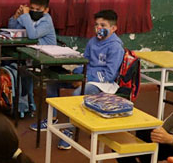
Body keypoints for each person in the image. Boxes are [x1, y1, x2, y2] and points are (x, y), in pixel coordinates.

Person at [47, 9, 125, 150]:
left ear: (114, 28)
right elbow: (85, 62)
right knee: (53, 82)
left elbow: (109, 75)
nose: (99, 28)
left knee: (77, 94)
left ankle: (70, 130)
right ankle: (51, 118)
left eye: (103, 25)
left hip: (103, 84)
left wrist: (84, 79)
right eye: (97, 25)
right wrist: (75, 74)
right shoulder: (92, 42)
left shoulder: (115, 47)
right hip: (86, 76)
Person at [9, 0, 57, 120]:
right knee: (19, 69)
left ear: (46, 10)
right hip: (32, 56)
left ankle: (27, 103)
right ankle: (26, 103)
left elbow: (32, 34)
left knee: (24, 71)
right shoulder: (28, 17)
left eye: (38, 10)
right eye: (32, 8)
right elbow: (12, 28)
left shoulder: (46, 20)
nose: (34, 11)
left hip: (46, 58)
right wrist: (17, 15)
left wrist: (26, 16)